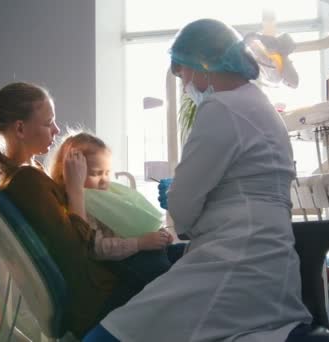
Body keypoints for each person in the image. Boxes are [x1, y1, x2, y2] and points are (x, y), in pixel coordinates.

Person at [85, 19, 312, 341]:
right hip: (267, 262)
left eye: (183, 74)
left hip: (234, 260)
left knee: (111, 334)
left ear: (202, 65)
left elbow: (184, 211)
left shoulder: (222, 106)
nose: (184, 85)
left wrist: (174, 194)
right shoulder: (258, 104)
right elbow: (235, 183)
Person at [0, 82, 135, 339]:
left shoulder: (31, 173)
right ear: (21, 128)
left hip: (94, 285)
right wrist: (75, 189)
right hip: (96, 296)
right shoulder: (26, 181)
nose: (56, 130)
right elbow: (77, 248)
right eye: (49, 123)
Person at [48, 131, 186, 286]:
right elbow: (97, 248)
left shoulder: (106, 196)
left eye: (107, 173)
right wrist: (140, 242)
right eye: (96, 173)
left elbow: (130, 224)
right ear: (72, 174)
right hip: (123, 262)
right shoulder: (83, 206)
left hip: (140, 250)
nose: (104, 180)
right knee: (165, 273)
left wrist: (158, 235)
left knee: (186, 252)